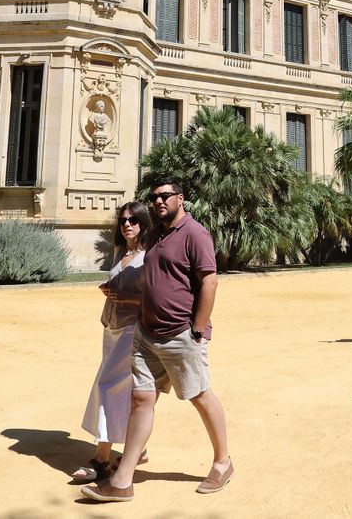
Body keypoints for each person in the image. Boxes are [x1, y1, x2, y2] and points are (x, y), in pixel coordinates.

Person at [85, 178, 232, 502]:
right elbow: (153, 280)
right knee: (141, 401)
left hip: (180, 333)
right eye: (154, 198)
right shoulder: (155, 235)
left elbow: (209, 282)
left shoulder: (195, 234)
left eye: (165, 196)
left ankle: (223, 462)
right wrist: (121, 292)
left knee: (199, 396)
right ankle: (123, 480)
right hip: (146, 334)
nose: (159, 201)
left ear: (181, 199)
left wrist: (197, 329)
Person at [75, 202, 150, 484]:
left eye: (133, 220)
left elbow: (157, 297)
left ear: (143, 223)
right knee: (124, 391)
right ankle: (137, 448)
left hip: (133, 330)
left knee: (107, 385)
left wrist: (127, 298)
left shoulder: (149, 256)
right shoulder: (122, 253)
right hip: (112, 328)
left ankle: (101, 458)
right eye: (123, 220)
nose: (127, 224)